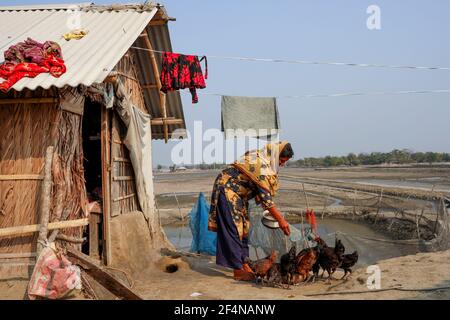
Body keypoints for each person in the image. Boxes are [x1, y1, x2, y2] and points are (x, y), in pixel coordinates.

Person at [208, 141, 294, 281]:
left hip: (238, 195)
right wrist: (281, 221)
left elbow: (264, 197)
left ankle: (245, 264)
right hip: (228, 190)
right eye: (282, 161)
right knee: (234, 229)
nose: (282, 164)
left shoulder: (262, 159)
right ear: (275, 155)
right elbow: (266, 200)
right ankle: (238, 270)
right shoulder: (260, 165)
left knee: (243, 229)